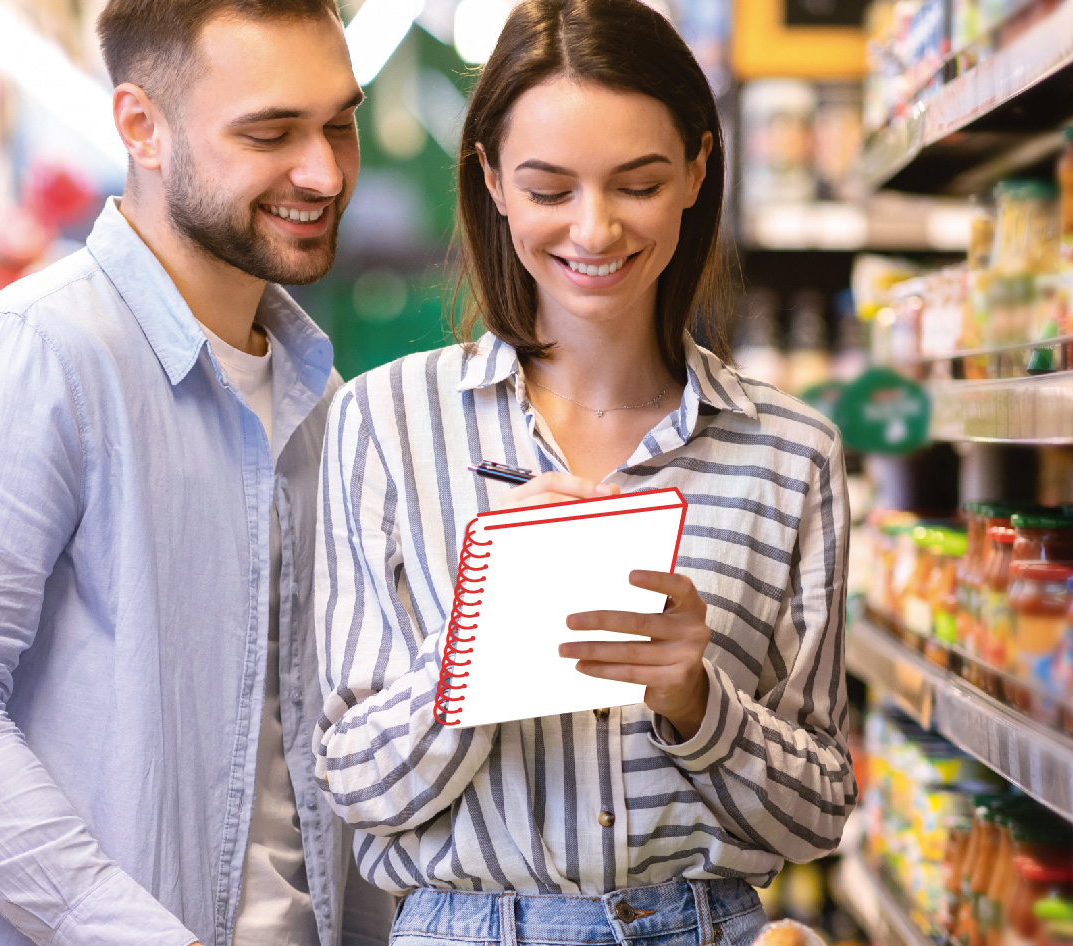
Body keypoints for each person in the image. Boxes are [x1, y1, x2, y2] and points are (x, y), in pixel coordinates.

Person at [311, 2, 857, 945]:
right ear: (491, 181)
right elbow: (357, 785)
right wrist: (481, 645)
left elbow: (816, 814)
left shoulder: (789, 450)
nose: (594, 230)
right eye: (549, 189)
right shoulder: (385, 421)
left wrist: (697, 703)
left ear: (695, 169)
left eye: (637, 183)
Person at [0, 2, 393, 944]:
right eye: (270, 133)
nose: (322, 172)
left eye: (338, 124)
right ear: (141, 126)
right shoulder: (36, 360)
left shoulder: (321, 401)